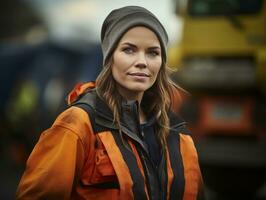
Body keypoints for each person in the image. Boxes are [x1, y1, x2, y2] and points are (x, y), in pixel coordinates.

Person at [16, 5, 204, 200]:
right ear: (109, 58)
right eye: (129, 50)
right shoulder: (78, 124)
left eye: (153, 52)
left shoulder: (180, 134)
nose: (142, 61)